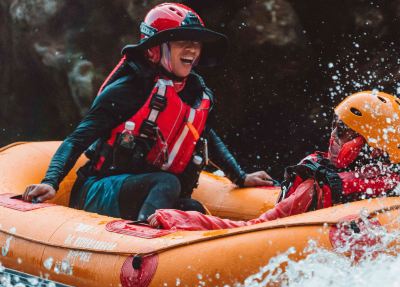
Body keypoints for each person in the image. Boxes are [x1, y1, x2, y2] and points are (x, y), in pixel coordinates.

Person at [22, 3, 273, 220]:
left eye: (195, 43)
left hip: (146, 191)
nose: (192, 50)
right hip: (98, 190)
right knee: (167, 182)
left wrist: (240, 177)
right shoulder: (126, 89)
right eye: (181, 42)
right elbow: (77, 139)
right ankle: (141, 248)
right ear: (155, 49)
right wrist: (50, 181)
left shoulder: (194, 92)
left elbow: (205, 135)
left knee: (192, 208)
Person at [147, 90, 400, 230]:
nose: (333, 137)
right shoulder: (397, 186)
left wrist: (176, 219)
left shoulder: (316, 189)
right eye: (335, 126)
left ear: (373, 150)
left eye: (344, 131)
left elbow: (248, 231)